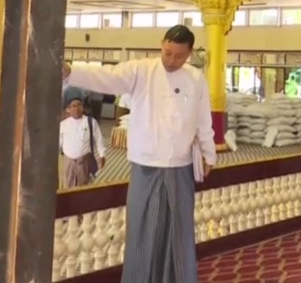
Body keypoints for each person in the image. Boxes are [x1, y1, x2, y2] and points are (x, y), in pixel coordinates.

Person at [63, 25, 216, 283]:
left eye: (179, 56)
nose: (172, 60)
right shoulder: (141, 70)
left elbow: (203, 119)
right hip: (145, 167)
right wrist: (72, 72)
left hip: (181, 168)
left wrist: (209, 154)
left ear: (190, 54)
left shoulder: (195, 78)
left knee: (179, 233)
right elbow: (107, 76)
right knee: (142, 232)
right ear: (161, 44)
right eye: (167, 53)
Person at [59, 95, 107, 188]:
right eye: (73, 106)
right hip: (69, 162)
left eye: (79, 105)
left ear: (83, 107)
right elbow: (59, 143)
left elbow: (99, 139)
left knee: (83, 187)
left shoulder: (90, 122)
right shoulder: (63, 124)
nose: (76, 108)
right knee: (68, 186)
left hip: (84, 161)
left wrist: (102, 155)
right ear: (68, 109)